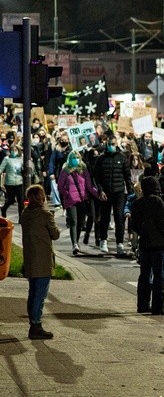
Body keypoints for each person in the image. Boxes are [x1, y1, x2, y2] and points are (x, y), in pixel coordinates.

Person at [20, 185, 60, 340]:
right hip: (43, 259)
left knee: (32, 292)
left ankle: (33, 322)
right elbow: (55, 234)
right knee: (40, 294)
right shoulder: (45, 214)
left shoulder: (25, 214)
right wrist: (52, 218)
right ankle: (36, 325)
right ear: (41, 197)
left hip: (30, 258)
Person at [130, 177, 164, 316]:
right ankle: (158, 306)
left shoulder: (138, 203)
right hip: (158, 243)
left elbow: (133, 224)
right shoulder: (157, 201)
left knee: (145, 275)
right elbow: (163, 221)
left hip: (145, 242)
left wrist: (143, 231)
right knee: (159, 276)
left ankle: (142, 304)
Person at [92, 134, 133, 255]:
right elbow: (96, 176)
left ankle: (119, 243)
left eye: (113, 144)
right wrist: (100, 190)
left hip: (119, 192)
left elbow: (127, 176)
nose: (111, 146)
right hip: (105, 193)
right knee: (104, 218)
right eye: (109, 144)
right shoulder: (101, 159)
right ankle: (103, 241)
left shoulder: (122, 158)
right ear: (106, 144)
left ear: (116, 144)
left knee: (119, 218)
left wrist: (130, 192)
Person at [56, 150, 99, 255]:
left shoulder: (83, 169)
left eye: (77, 157)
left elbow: (88, 185)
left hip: (82, 200)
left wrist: (98, 194)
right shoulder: (65, 170)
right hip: (70, 201)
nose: (75, 160)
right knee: (73, 222)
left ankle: (76, 242)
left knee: (80, 223)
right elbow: (60, 186)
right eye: (73, 158)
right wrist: (67, 194)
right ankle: (74, 244)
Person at [0, 143, 26, 220]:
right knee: (11, 199)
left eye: (15, 150)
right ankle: (4, 208)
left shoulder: (21, 158)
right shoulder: (6, 159)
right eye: (12, 150)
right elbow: (1, 168)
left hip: (19, 181)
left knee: (21, 201)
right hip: (9, 182)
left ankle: (21, 218)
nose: (13, 151)